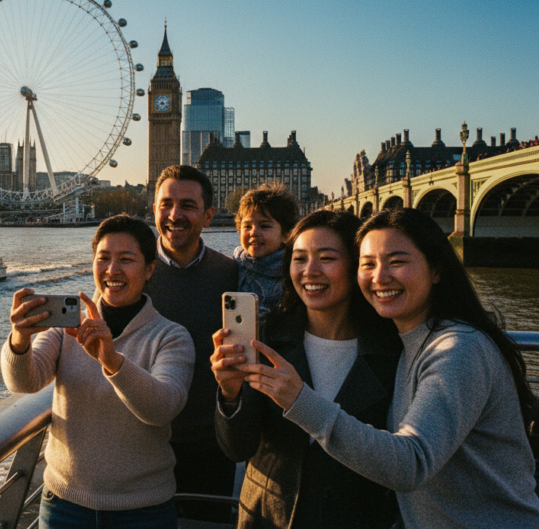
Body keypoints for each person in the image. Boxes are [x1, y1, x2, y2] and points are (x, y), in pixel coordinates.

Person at [238, 207, 539, 528]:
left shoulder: (460, 348)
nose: (380, 277)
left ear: (436, 268)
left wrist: (300, 400)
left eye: (396, 262)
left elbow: (411, 463)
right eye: (368, 264)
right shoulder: (407, 342)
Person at [2, 214, 195, 529]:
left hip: (143, 510)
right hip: (64, 506)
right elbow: (24, 381)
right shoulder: (69, 327)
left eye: (126, 260)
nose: (112, 270)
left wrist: (111, 360)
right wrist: (20, 339)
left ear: (149, 269)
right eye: (103, 258)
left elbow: (162, 408)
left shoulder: (171, 337)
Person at [212, 210, 401, 528]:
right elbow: (237, 449)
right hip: (268, 516)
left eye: (326, 258)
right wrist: (231, 395)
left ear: (356, 264)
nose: (310, 272)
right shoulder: (265, 339)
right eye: (299, 259)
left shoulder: (392, 350)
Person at [143, 165, 238, 521]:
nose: (174, 215)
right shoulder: (131, 272)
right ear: (154, 210)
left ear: (208, 216)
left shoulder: (231, 274)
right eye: (165, 204)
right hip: (143, 441)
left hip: (210, 443)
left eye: (187, 205)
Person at [233, 183, 300, 320]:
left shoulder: (295, 274)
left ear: (287, 234)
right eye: (247, 226)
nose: (254, 232)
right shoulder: (230, 267)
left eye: (264, 226)